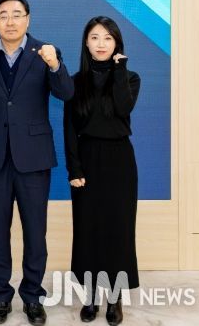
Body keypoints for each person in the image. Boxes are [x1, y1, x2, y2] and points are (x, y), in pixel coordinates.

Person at [0, 0, 74, 326]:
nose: (10, 21)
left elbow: (66, 93)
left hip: (34, 158)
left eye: (16, 14)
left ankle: (33, 297)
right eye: (3, 15)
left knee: (35, 232)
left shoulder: (46, 52)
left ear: (28, 19)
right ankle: (0, 296)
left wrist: (55, 65)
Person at [64, 16, 140, 326]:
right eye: (95, 37)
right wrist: (74, 168)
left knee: (118, 230)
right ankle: (91, 296)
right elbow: (69, 128)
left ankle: (115, 297)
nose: (101, 43)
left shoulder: (130, 77)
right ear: (86, 42)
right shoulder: (75, 81)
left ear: (116, 43)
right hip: (86, 158)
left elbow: (123, 108)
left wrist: (119, 69)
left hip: (120, 160)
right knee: (88, 230)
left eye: (108, 38)